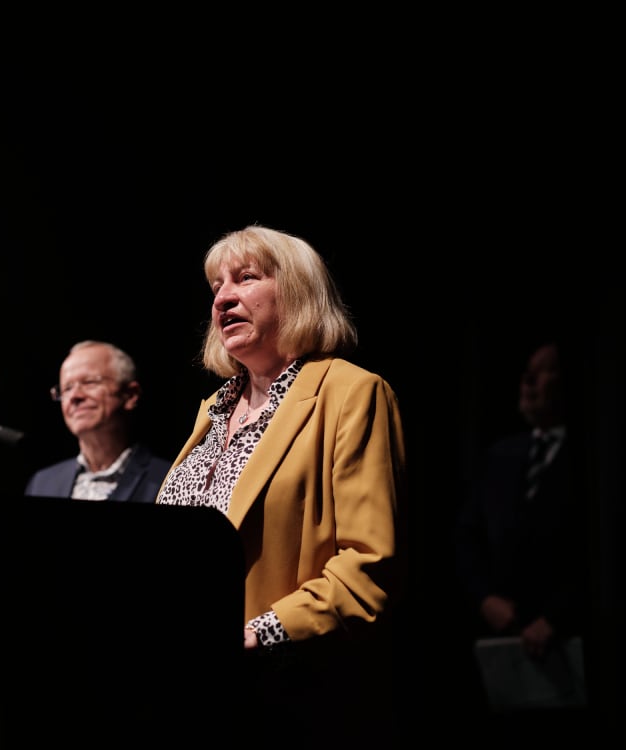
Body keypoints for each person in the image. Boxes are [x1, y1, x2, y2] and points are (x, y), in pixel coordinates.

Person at [155, 225, 407, 746]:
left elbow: (368, 565)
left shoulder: (351, 394)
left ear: (297, 291)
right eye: (217, 287)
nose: (223, 298)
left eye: (246, 278)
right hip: (186, 692)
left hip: (287, 698)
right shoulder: (212, 411)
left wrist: (261, 633)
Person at [454, 340, 589, 745]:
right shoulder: (501, 456)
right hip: (500, 644)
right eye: (528, 370)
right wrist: (485, 598)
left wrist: (556, 617)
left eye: (545, 371)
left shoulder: (592, 460)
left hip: (569, 647)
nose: (528, 380)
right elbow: (467, 537)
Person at [25, 340, 172, 502]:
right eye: (67, 388)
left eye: (89, 382)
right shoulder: (42, 483)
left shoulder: (168, 480)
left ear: (130, 395)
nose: (75, 396)